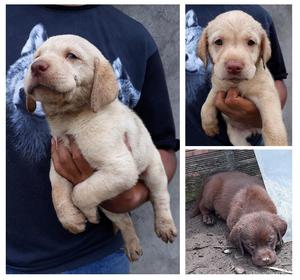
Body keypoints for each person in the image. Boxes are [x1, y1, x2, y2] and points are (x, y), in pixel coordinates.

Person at [6, 5, 178, 274]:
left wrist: (132, 197)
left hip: (97, 261)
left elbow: (164, 147)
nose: (40, 63)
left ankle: (147, 221)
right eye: (37, 58)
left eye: (71, 56)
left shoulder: (135, 37)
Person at [185, 5, 288, 146]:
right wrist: (207, 113)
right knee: (234, 136)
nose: (234, 64)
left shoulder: (260, 15)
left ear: (262, 50)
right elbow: (216, 91)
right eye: (219, 42)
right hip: (196, 144)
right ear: (205, 48)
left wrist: (259, 119)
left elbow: (276, 84)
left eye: (250, 42)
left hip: (258, 139)